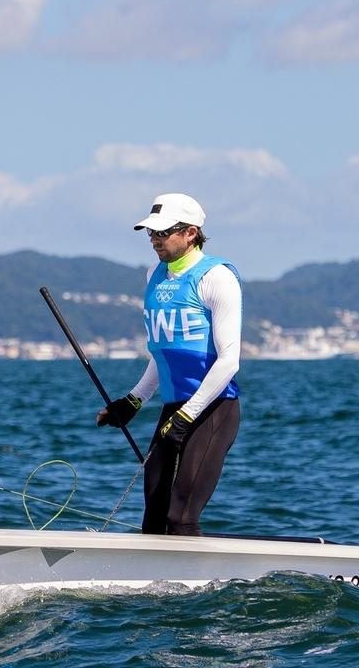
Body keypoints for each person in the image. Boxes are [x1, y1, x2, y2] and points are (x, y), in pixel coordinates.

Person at [95, 192, 242, 536]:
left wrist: (189, 415)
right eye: (151, 233)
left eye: (163, 233)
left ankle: (196, 589)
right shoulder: (154, 275)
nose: (155, 241)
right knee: (153, 514)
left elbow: (229, 360)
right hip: (174, 408)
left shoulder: (216, 277)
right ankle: (155, 589)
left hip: (213, 410)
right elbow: (163, 354)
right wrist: (132, 401)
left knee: (180, 514)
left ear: (191, 233)